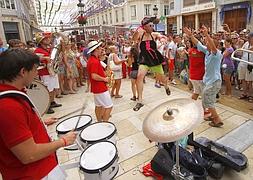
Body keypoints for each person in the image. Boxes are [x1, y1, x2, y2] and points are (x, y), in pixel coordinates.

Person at [0, 49, 77, 179]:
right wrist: (63, 141)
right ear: (23, 72)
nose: (37, 73)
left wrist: (40, 123)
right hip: (34, 174)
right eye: (35, 69)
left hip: (42, 169)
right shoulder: (8, 107)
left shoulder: (14, 95)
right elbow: (29, 154)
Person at [184, 25, 223, 127]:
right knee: (208, 100)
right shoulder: (207, 52)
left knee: (207, 100)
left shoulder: (217, 54)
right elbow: (198, 43)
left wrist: (206, 34)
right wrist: (190, 35)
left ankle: (217, 119)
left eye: (208, 43)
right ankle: (211, 115)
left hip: (214, 82)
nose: (206, 43)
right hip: (210, 82)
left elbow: (213, 47)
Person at [132, 17, 171, 111]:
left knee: (162, 78)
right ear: (145, 27)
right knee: (139, 76)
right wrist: (137, 31)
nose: (152, 27)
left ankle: (166, 86)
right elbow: (133, 38)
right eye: (150, 25)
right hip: (144, 59)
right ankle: (140, 101)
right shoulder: (140, 35)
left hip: (154, 59)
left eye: (152, 25)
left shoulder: (153, 34)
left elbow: (160, 35)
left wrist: (162, 38)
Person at [34, 33, 63, 114]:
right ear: (41, 41)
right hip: (45, 72)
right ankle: (48, 105)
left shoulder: (49, 48)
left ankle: (52, 102)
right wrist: (44, 58)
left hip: (52, 71)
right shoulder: (38, 50)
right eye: (45, 39)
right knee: (48, 89)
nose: (48, 40)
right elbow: (35, 58)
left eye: (48, 38)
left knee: (53, 88)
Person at [87, 41, 113, 122]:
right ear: (96, 49)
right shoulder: (94, 61)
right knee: (109, 106)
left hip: (96, 88)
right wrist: (104, 79)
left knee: (98, 106)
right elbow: (93, 76)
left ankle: (99, 121)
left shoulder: (92, 59)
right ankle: (104, 124)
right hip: (100, 88)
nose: (101, 49)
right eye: (99, 47)